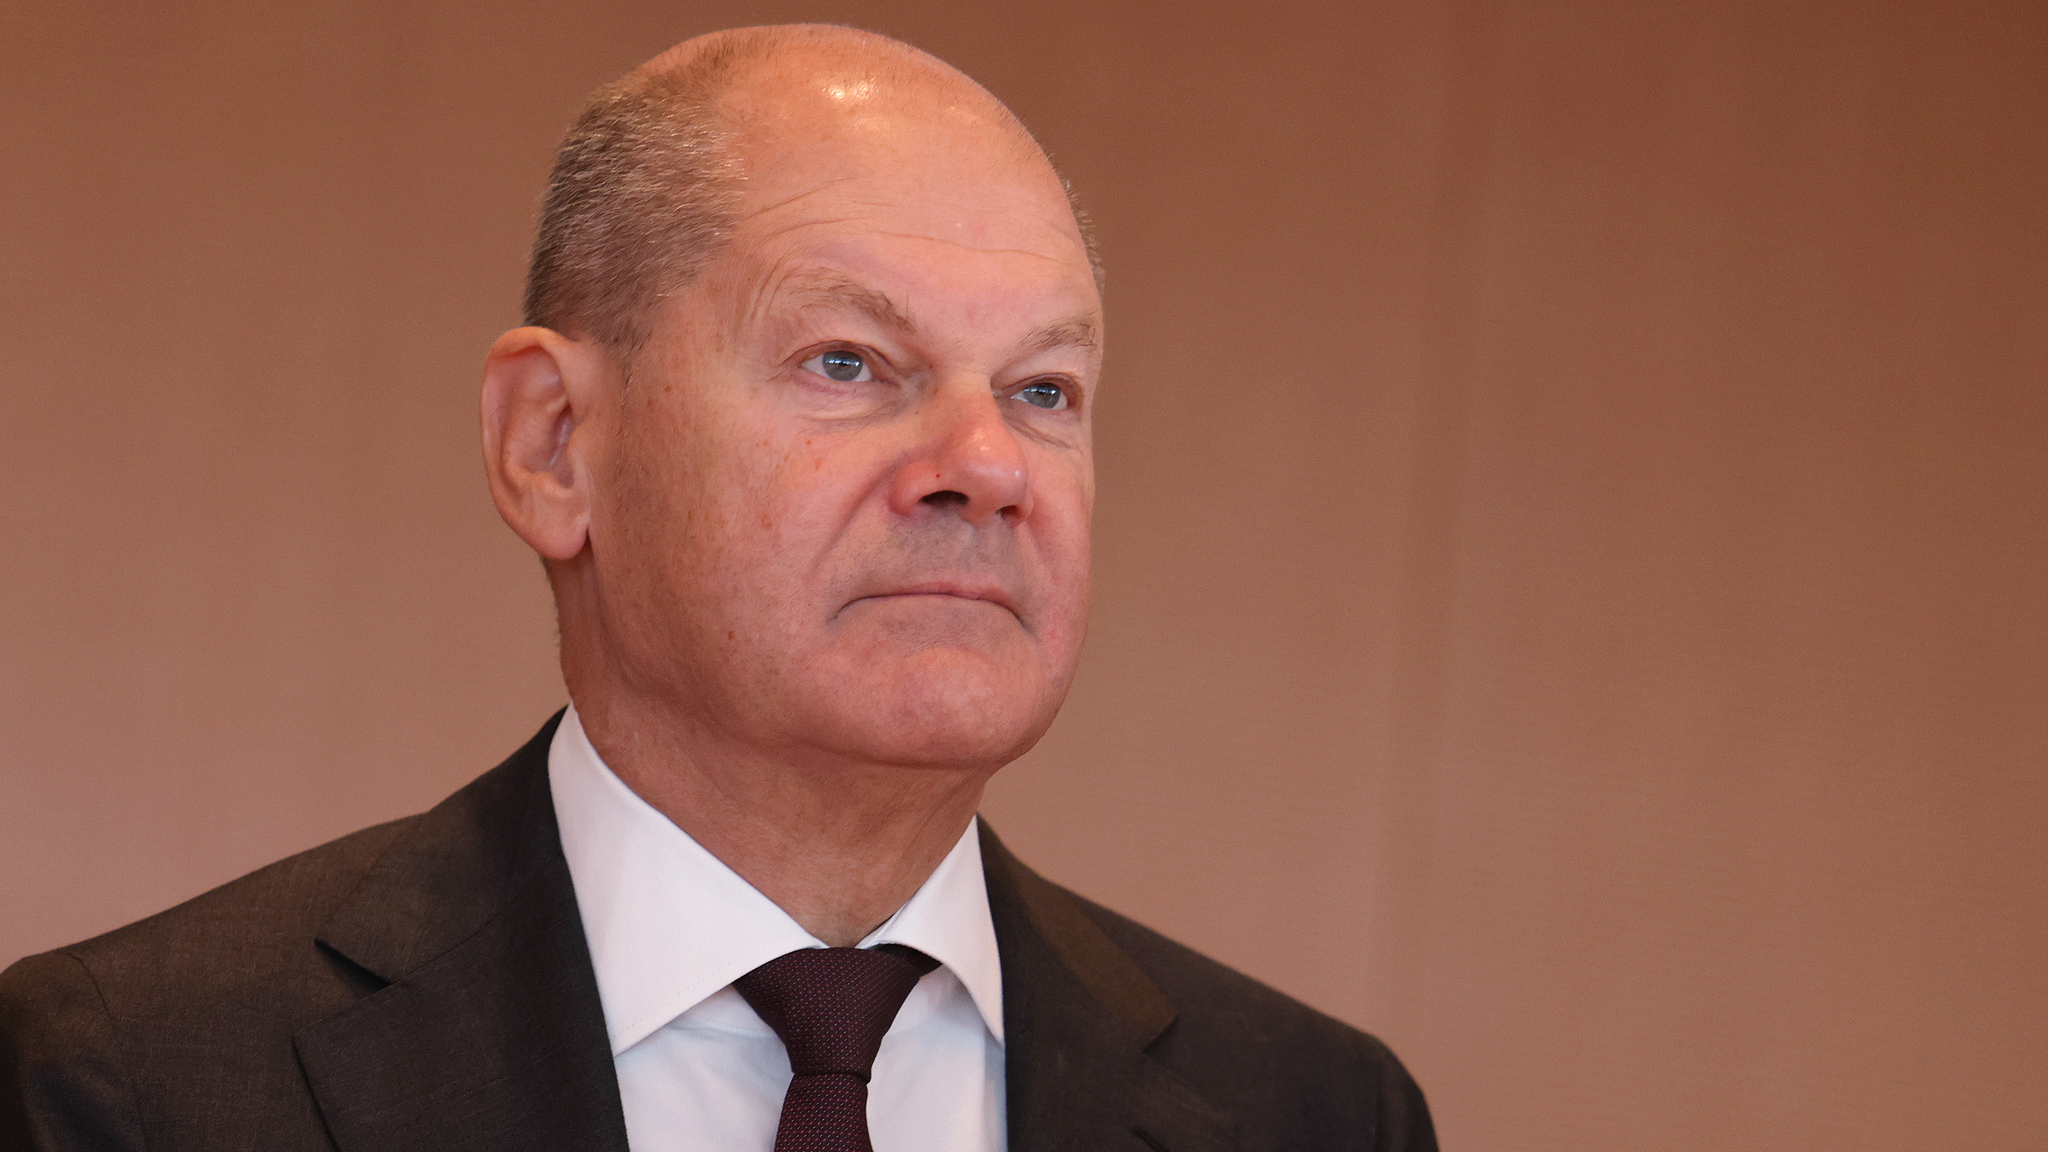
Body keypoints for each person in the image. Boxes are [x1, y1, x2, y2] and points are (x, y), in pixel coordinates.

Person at [0, 25, 1435, 1152]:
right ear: (554, 445)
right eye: (847, 363)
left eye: (1044, 388)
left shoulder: (1315, 1116)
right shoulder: (130, 1083)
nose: (987, 465)